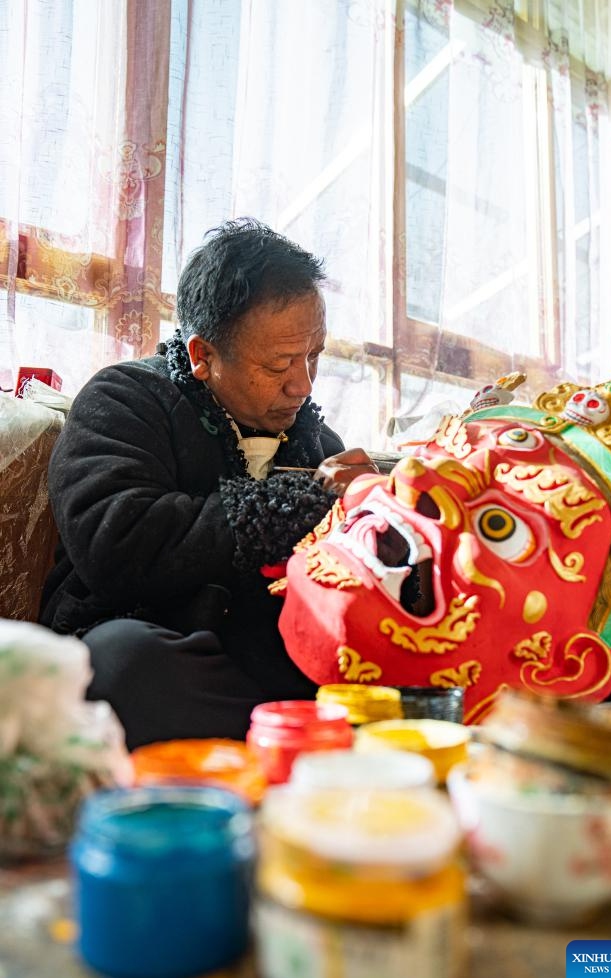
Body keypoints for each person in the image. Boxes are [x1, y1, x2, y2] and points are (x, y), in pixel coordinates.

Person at [39, 219, 378, 749]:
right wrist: (308, 503)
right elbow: (119, 541)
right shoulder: (125, 398)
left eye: (314, 356)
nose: (303, 384)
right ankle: (298, 737)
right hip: (161, 648)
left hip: (268, 663)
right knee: (124, 663)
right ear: (203, 356)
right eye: (280, 364)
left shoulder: (318, 439)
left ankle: (291, 734)